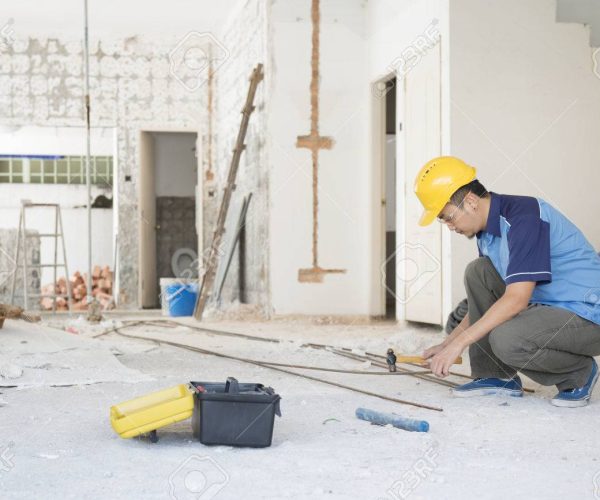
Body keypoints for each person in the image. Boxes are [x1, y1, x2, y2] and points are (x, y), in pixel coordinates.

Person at [416, 156, 600, 407]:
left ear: (470, 202)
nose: (448, 226)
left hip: (588, 314)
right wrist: (447, 344)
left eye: (448, 217)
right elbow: (485, 305)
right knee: (479, 271)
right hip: (554, 309)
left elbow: (516, 299)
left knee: (507, 339)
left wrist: (458, 344)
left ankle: (578, 373)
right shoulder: (486, 234)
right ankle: (495, 375)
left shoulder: (523, 217)